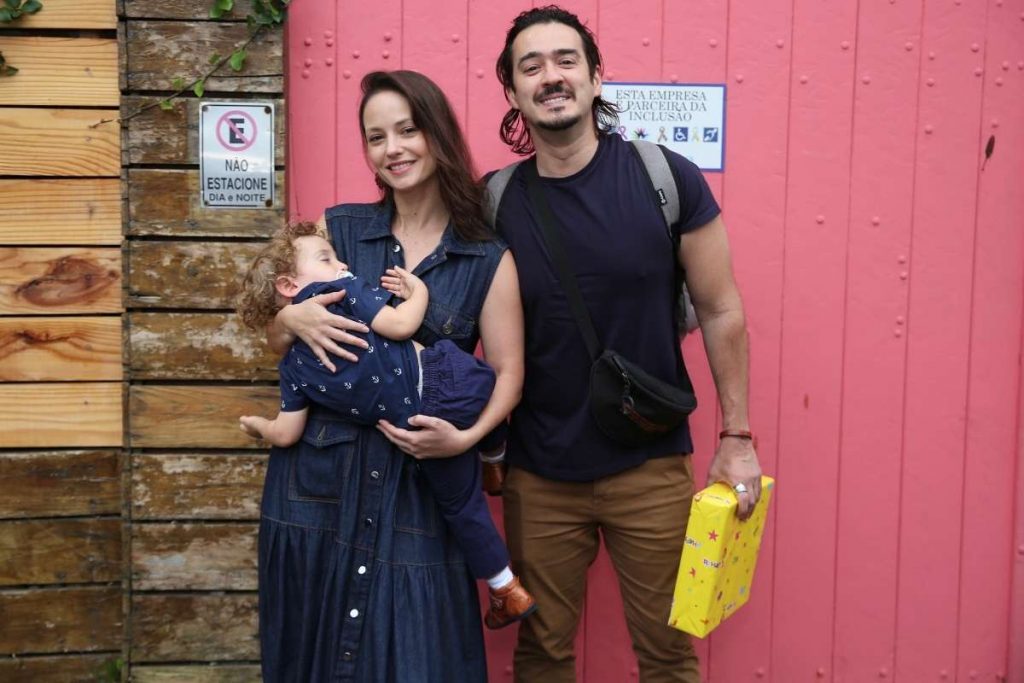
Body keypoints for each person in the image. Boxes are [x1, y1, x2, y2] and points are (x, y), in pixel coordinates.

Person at [482, 6, 765, 682]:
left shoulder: (666, 178)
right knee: (541, 655)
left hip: (650, 467)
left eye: (566, 60)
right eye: (531, 67)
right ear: (513, 91)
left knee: (668, 655)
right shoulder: (494, 201)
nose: (551, 76)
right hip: (539, 474)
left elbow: (721, 308)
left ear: (596, 75)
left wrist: (737, 435)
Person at [256, 70, 524, 682]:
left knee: (417, 656)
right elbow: (275, 338)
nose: (393, 149)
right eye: (376, 138)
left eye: (407, 130)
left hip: (418, 489)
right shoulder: (337, 230)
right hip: (319, 486)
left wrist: (466, 438)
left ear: (438, 134)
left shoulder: (485, 257)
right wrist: (289, 318)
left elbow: (509, 373)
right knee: (313, 658)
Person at [237, 221, 536, 629]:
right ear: (289, 285)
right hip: (445, 379)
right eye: (326, 258)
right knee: (483, 382)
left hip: (414, 427)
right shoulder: (345, 290)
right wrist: (420, 293)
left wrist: (258, 425)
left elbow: (286, 432)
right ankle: (494, 456)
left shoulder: (291, 367)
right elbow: (401, 325)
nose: (342, 263)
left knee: (461, 508)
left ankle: (506, 590)